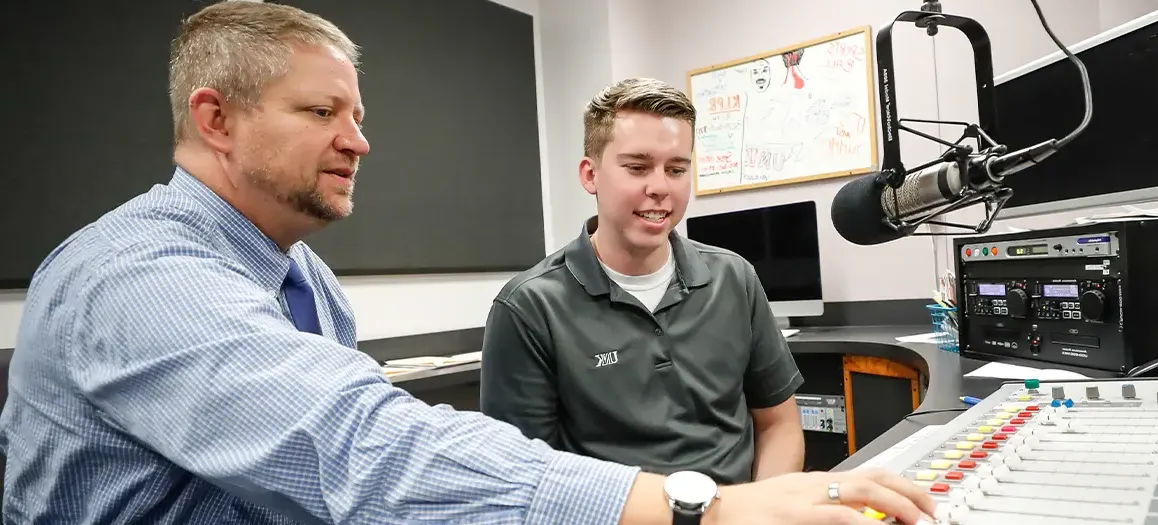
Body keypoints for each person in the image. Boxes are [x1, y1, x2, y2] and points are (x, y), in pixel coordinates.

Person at [0, 2, 935, 524]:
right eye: (323, 113)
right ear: (215, 118)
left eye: (358, 115)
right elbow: (363, 449)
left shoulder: (303, 279)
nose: (358, 141)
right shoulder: (136, 274)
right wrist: (711, 511)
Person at [477, 78, 807, 485]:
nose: (660, 188)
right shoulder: (529, 308)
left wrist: (759, 510)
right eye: (637, 167)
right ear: (590, 174)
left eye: (676, 169)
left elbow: (779, 425)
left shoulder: (734, 278)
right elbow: (524, 477)